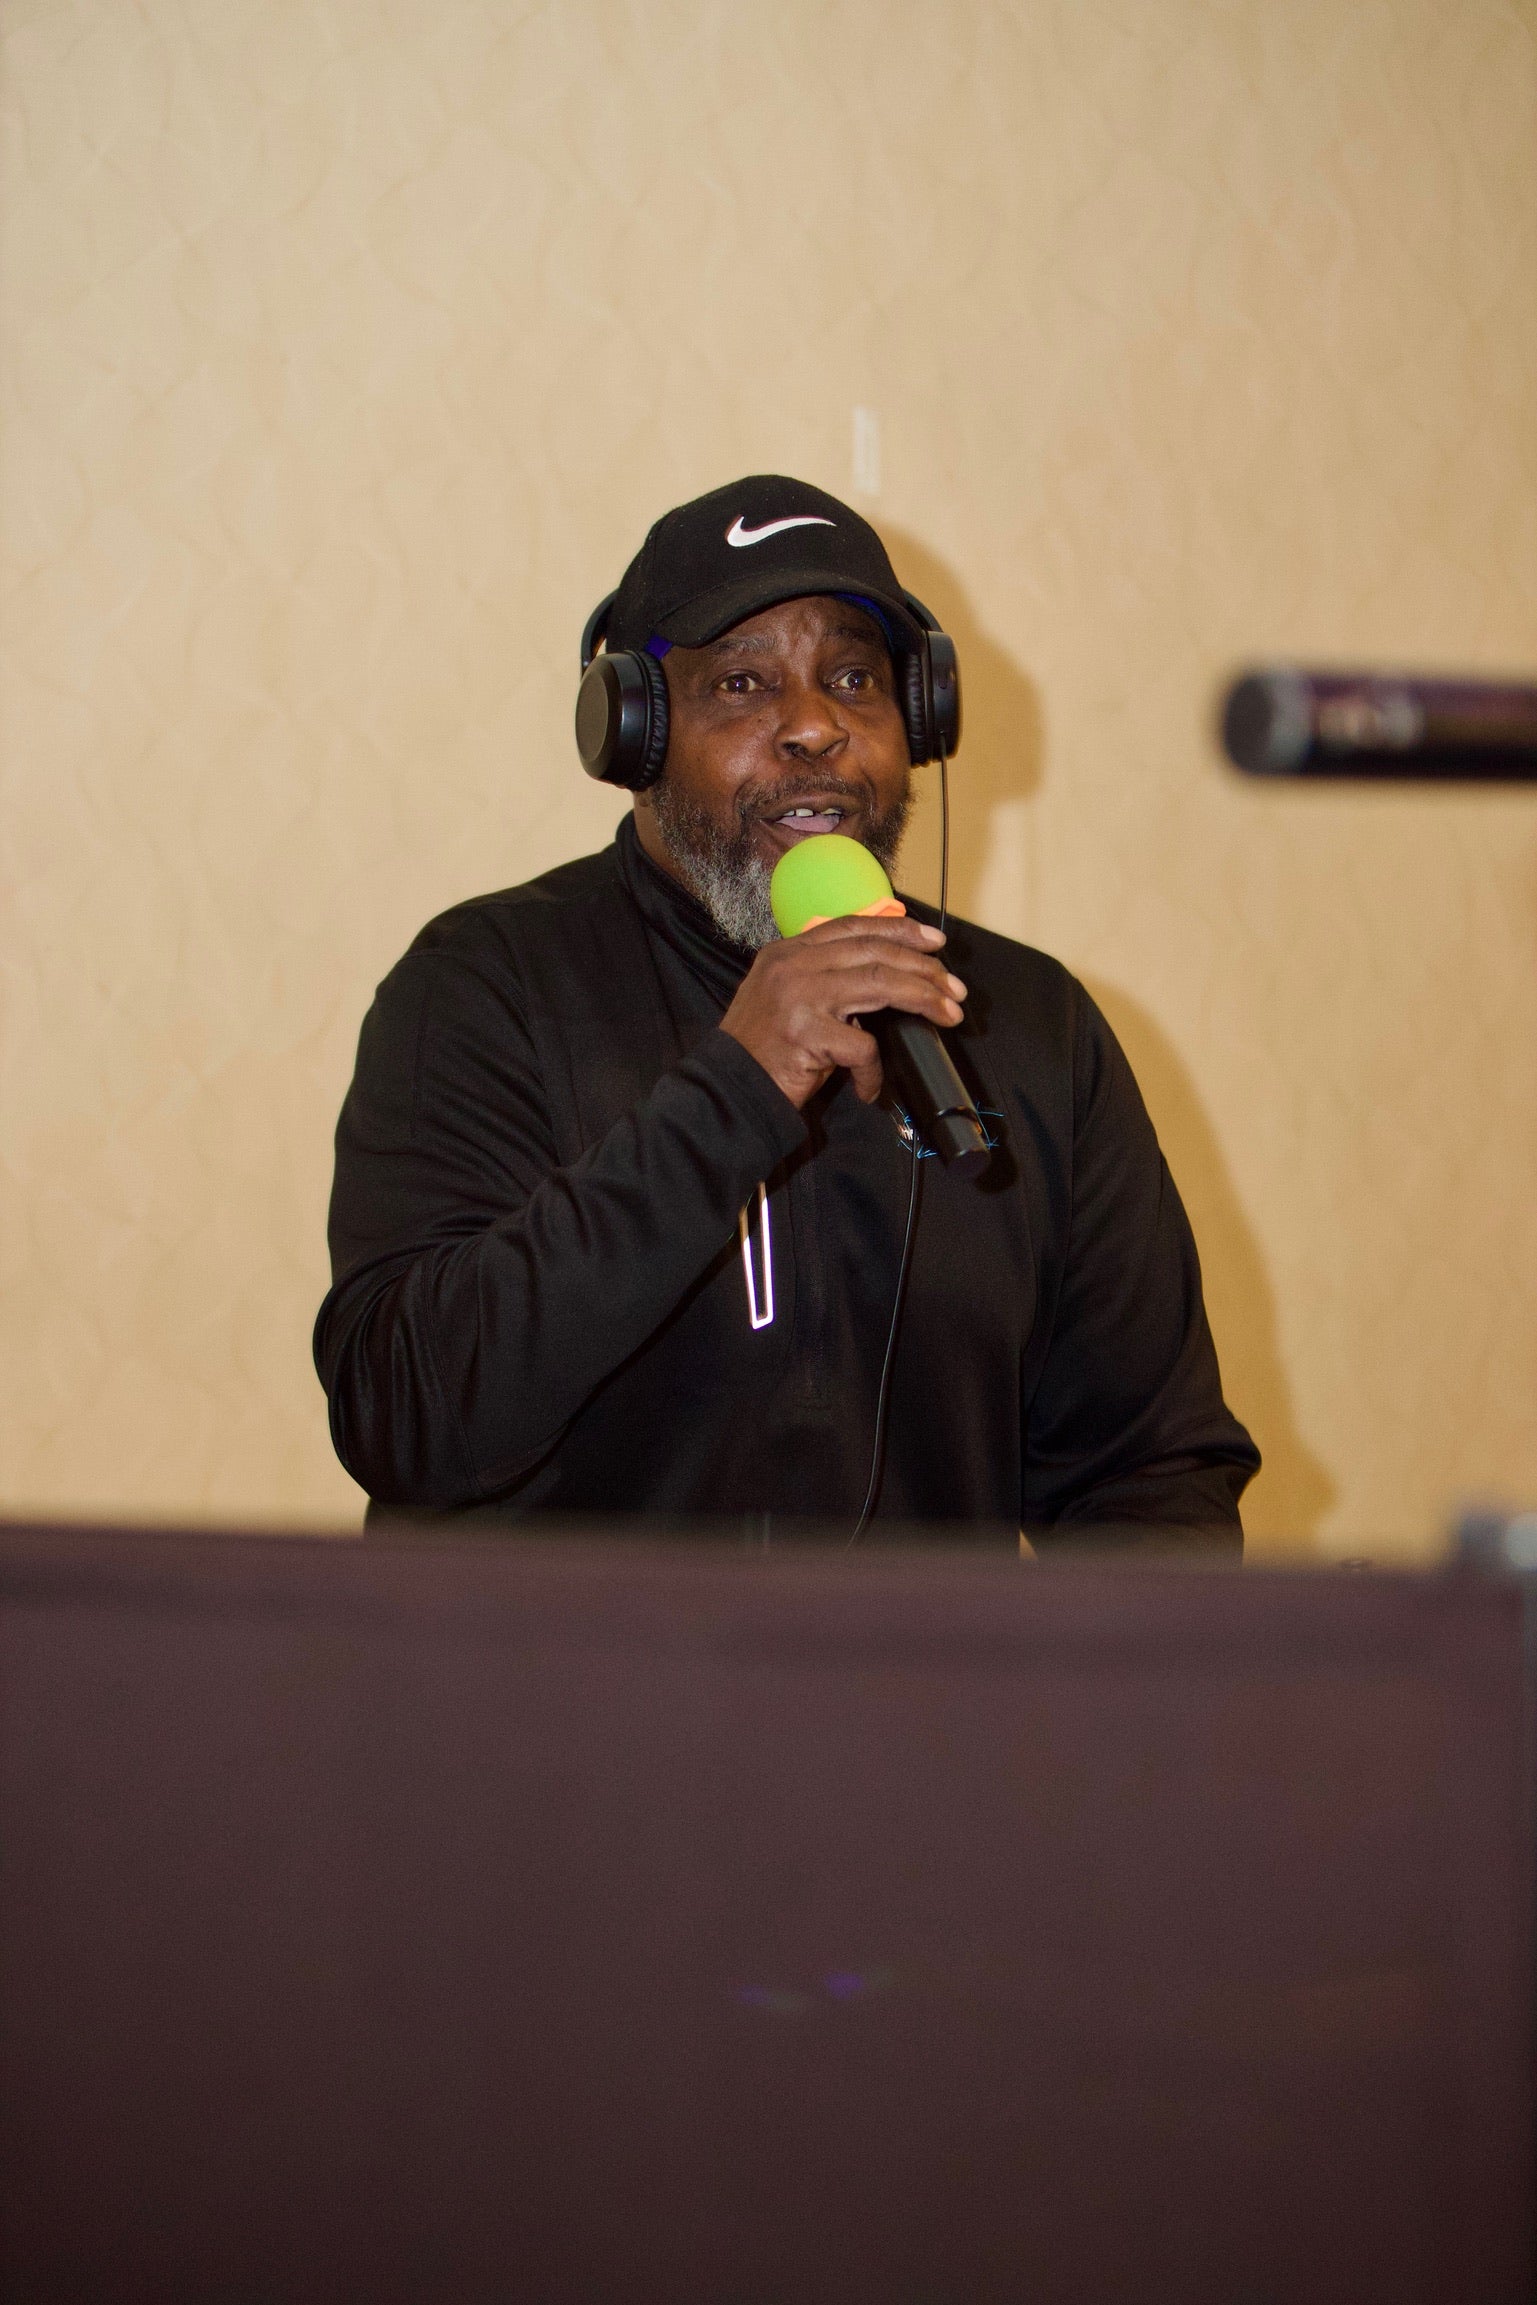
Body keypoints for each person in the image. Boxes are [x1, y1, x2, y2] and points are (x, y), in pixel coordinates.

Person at [315, 475, 1259, 1543]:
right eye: (742, 683)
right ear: (634, 731)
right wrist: (735, 1088)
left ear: (918, 719)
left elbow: (1148, 1471)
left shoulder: (1030, 1024)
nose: (815, 726)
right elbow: (404, 1412)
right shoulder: (485, 986)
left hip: (926, 1663)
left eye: (853, 678)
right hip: (571, 1661)